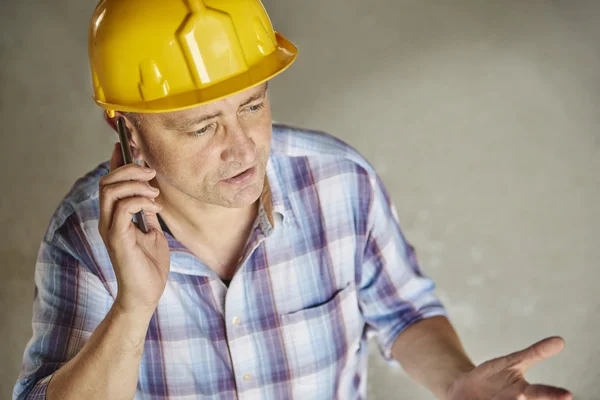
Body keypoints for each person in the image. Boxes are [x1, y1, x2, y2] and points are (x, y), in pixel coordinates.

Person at [14, 0, 572, 399]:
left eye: (252, 106)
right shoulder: (85, 236)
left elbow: (403, 313)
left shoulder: (338, 181)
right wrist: (132, 308)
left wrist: (458, 384)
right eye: (202, 127)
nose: (243, 148)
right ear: (128, 131)